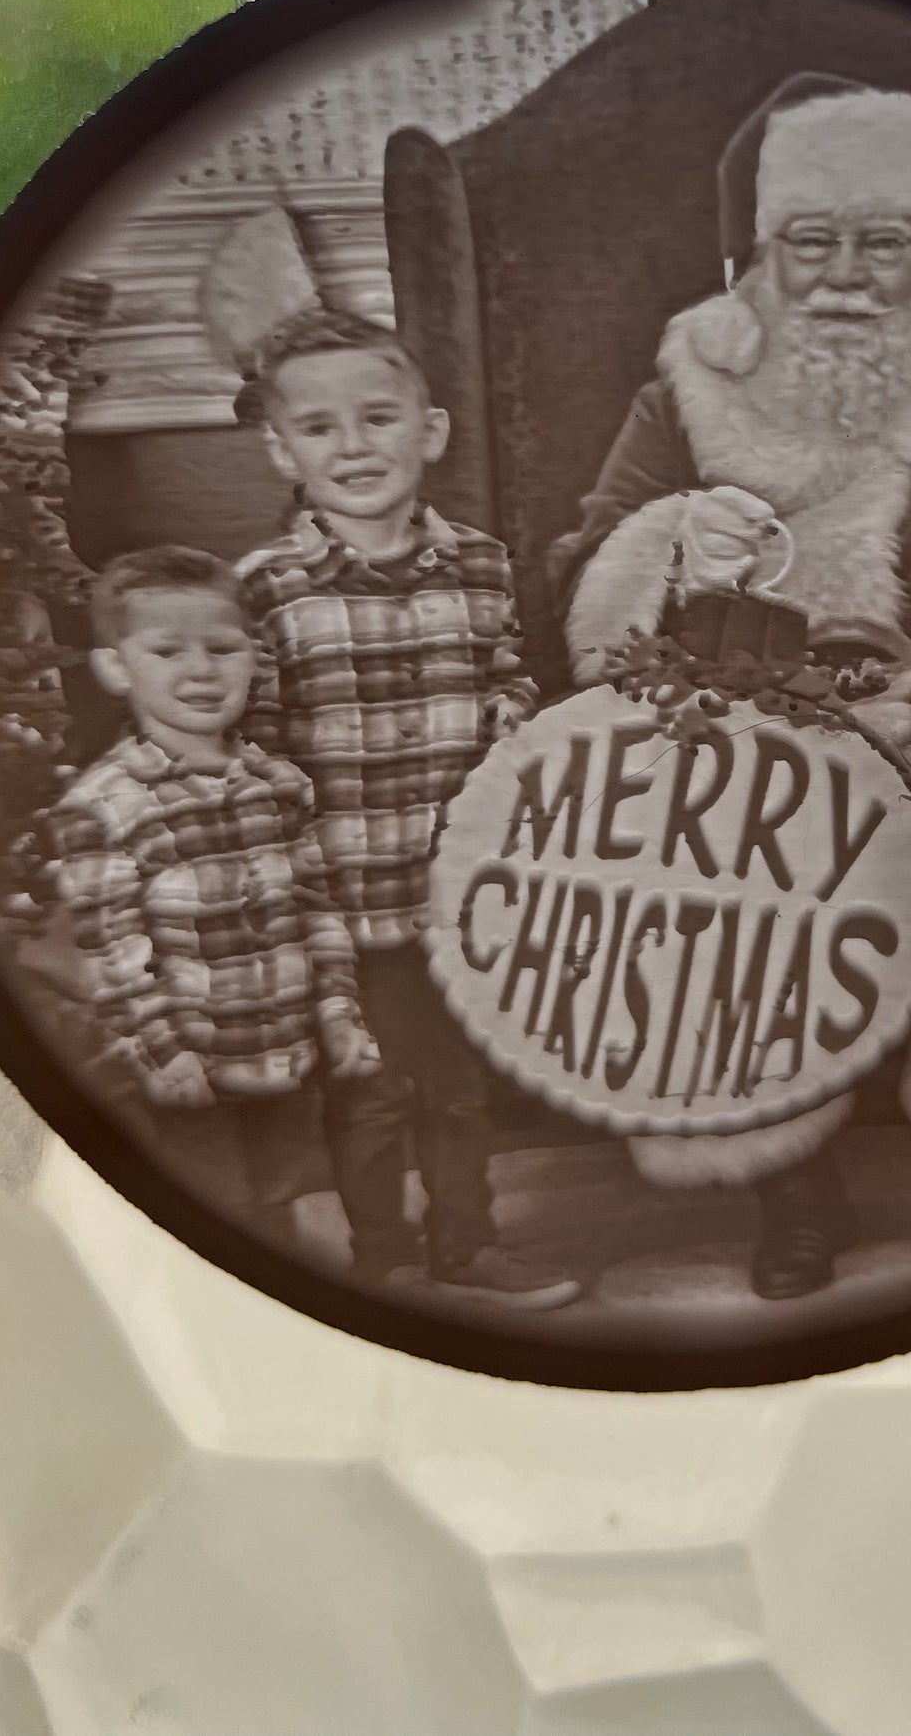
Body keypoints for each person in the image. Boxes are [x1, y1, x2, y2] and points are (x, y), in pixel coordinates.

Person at [551, 78, 911, 1299]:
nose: (843, 276)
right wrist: (669, 541)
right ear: (762, 256)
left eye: (885, 241)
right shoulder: (686, 392)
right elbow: (589, 577)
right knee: (710, 891)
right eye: (811, 241)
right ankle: (793, 1193)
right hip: (742, 746)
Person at [234, 308, 581, 1310]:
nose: (353, 446)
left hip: (453, 895)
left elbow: (509, 676)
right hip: (339, 903)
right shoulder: (264, 589)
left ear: (429, 432)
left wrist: (512, 719)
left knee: (459, 1089)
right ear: (282, 449)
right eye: (319, 427)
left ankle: (468, 1243)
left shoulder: (482, 564)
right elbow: (253, 747)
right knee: (370, 1096)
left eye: (377, 417)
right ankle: (382, 1259)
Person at [40, 546, 382, 1252]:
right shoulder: (104, 804)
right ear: (115, 667)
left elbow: (318, 914)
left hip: (285, 1053)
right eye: (168, 651)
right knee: (213, 1222)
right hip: (190, 1067)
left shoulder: (280, 786)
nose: (201, 670)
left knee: (287, 1212)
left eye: (223, 648)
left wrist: (339, 1013)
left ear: (255, 658)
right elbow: (112, 950)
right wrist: (162, 1050)